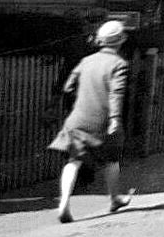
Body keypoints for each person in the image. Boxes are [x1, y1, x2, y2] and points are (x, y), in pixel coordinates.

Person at [48, 20, 133, 223]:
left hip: (77, 119)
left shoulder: (86, 61)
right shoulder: (119, 64)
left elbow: (68, 87)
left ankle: (64, 204)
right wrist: (114, 119)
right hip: (101, 121)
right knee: (111, 159)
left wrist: (83, 97)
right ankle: (114, 199)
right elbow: (116, 93)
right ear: (120, 41)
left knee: (73, 160)